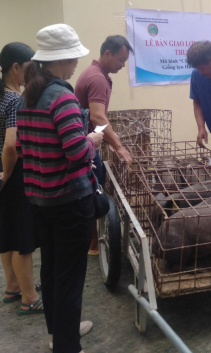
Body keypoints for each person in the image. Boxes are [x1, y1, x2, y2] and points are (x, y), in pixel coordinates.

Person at [17, 24, 103, 353]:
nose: (76, 63)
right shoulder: (62, 97)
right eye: (73, 58)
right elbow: (77, 153)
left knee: (52, 269)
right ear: (62, 60)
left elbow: (25, 148)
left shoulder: (29, 97)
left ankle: (60, 331)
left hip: (41, 200)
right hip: (70, 201)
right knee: (70, 277)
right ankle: (67, 346)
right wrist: (92, 140)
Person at [0, 42, 43, 316]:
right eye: (30, 69)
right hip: (14, 171)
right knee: (23, 239)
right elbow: (12, 145)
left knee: (7, 232)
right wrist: (8, 175)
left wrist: (2, 174)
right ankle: (30, 297)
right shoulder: (15, 100)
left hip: (3, 169)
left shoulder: (0, 96)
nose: (33, 75)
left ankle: (13, 286)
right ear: (16, 68)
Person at [75, 35, 133, 256]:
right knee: (93, 193)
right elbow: (99, 118)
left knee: (92, 191)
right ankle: (92, 244)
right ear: (107, 54)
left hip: (87, 142)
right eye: (120, 59)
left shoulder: (95, 74)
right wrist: (118, 145)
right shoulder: (97, 78)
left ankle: (91, 241)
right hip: (87, 147)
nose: (122, 65)